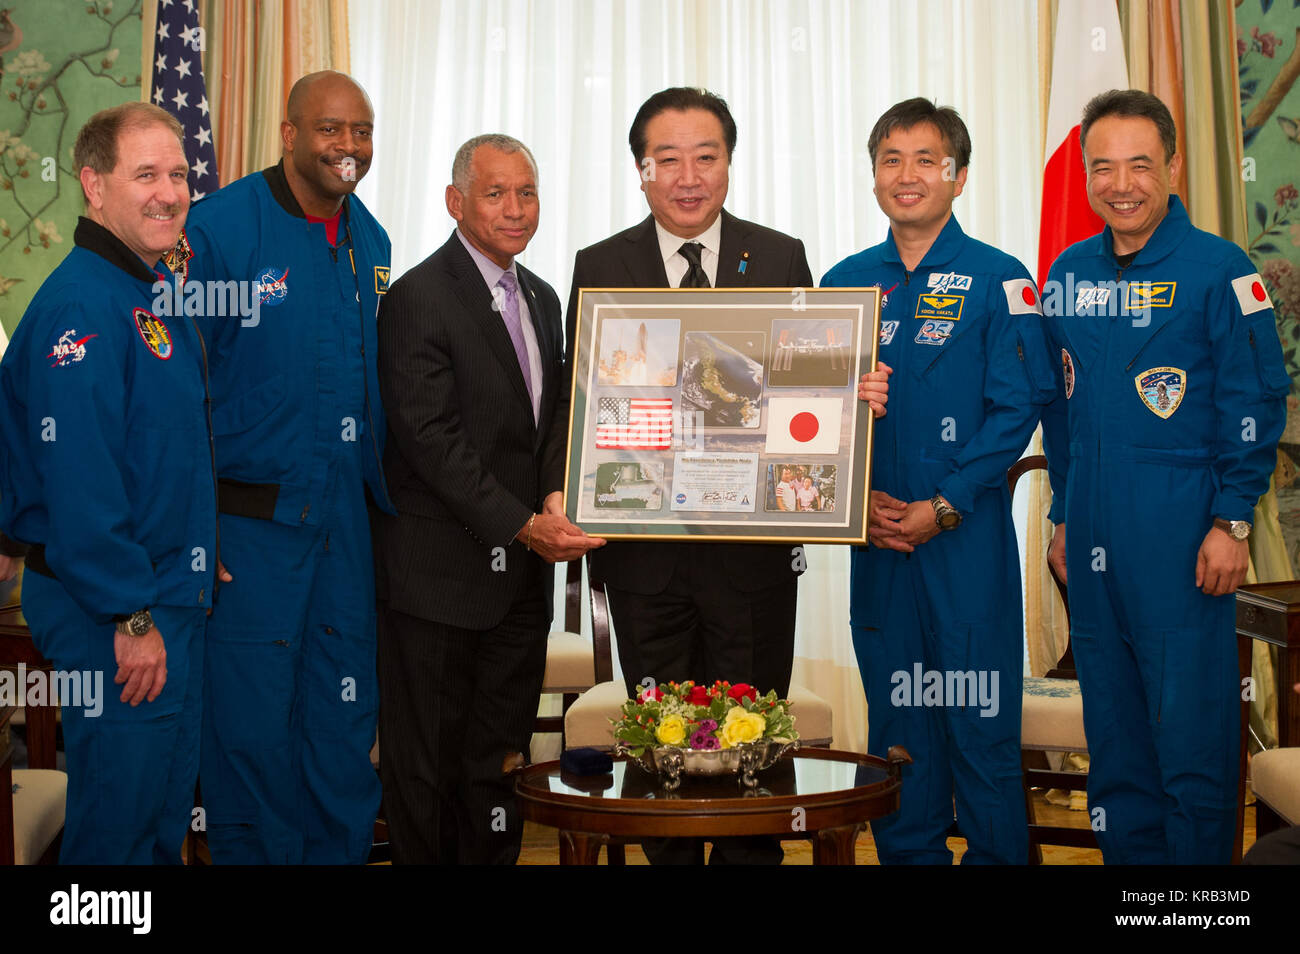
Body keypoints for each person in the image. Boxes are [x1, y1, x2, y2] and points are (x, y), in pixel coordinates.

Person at [565, 86, 888, 865]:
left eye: (705, 156)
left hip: (753, 563)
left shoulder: (778, 256)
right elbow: (579, 404)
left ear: (730, 164)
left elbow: (803, 391)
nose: (687, 175)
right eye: (666, 159)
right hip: (644, 561)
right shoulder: (600, 266)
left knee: (752, 752)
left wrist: (853, 393)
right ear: (640, 171)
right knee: (662, 752)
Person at [1041, 89, 1289, 865]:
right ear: (1085, 173)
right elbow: (1061, 405)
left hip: (1186, 538)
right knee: (1114, 743)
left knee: (1191, 742)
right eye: (1103, 166)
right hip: (1092, 536)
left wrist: (1232, 519)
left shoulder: (1222, 270)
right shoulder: (1068, 273)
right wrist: (1062, 514)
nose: (1121, 183)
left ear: (1173, 166)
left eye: (1140, 164)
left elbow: (1256, 399)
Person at [822, 98, 1056, 865]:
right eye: (891, 159)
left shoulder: (1001, 279)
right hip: (878, 542)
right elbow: (808, 419)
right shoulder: (845, 284)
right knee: (901, 739)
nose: (907, 175)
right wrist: (854, 498)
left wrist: (945, 506)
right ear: (874, 177)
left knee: (981, 733)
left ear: (958, 176)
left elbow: (1016, 409)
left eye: (927, 160)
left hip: (965, 542)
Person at [0, 103, 220, 863]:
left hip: (164, 593)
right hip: (116, 614)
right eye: (146, 175)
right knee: (118, 831)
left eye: (180, 174)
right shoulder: (82, 308)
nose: (170, 192)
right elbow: (82, 479)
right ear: (93, 185)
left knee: (159, 820)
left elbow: (159, 452)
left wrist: (199, 540)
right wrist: (130, 616)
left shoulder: (147, 291)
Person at [374, 134, 603, 864]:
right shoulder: (416, 296)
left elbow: (549, 427)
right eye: (496, 193)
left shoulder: (539, 297)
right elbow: (429, 438)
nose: (515, 208)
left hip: (519, 590)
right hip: (439, 582)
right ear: (455, 202)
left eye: (527, 192)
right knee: (427, 770)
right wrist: (523, 525)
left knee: (496, 765)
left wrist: (558, 500)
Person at [182, 71, 392, 864]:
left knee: (342, 718)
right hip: (246, 530)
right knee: (250, 726)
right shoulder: (220, 233)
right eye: (331, 129)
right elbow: (179, 390)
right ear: (289, 133)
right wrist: (196, 527)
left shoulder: (370, 239)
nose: (348, 146)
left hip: (344, 525)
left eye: (362, 131)